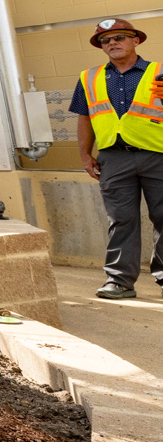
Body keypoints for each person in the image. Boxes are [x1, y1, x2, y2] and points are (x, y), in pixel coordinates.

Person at [69, 18, 163, 301]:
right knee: (121, 220)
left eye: (120, 37)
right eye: (106, 40)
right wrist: (85, 154)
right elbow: (85, 117)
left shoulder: (160, 72)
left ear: (136, 40)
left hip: (157, 156)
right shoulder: (89, 77)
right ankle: (119, 281)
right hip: (113, 159)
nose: (113, 43)